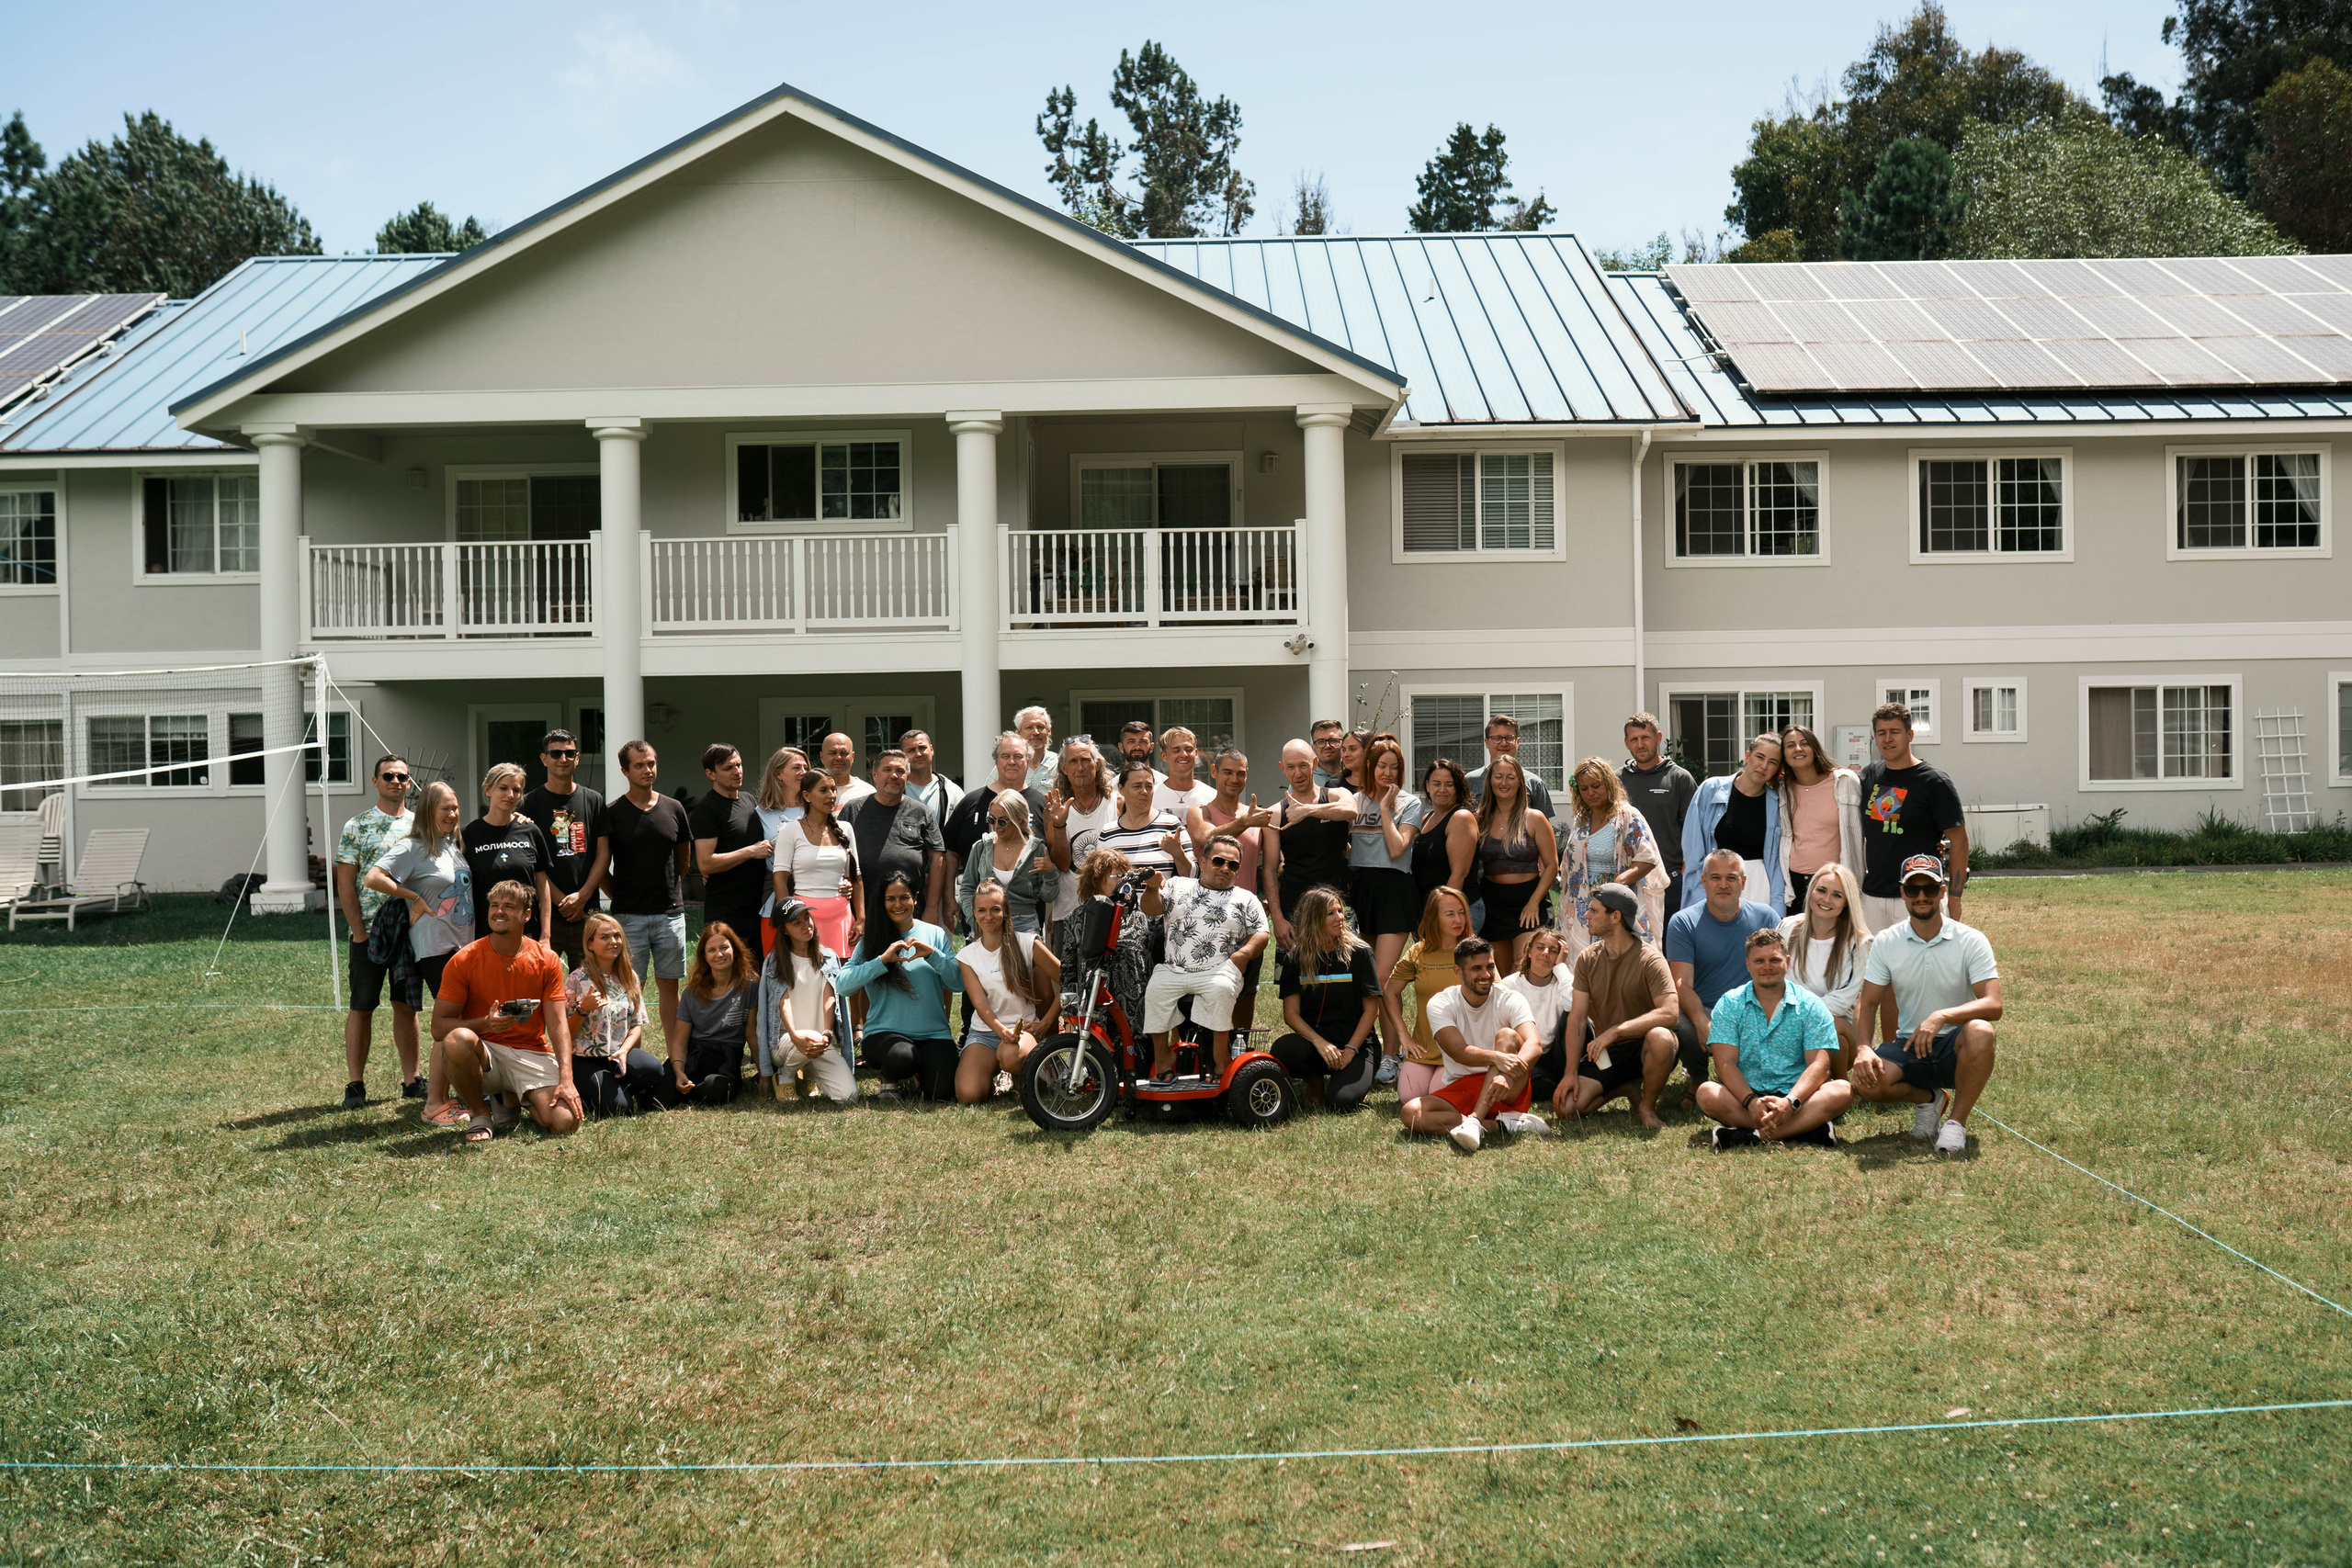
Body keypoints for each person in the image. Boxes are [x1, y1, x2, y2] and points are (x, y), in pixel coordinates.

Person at [1849, 853, 2001, 1154]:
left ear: (1942, 892)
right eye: (1913, 889)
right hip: (1908, 1044)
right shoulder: (1887, 941)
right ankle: (1929, 1100)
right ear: (1902, 893)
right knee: (1867, 1082)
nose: (1922, 896)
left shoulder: (1971, 940)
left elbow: (1993, 1004)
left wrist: (1942, 1016)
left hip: (1956, 1047)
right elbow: (1867, 1004)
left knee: (1981, 1031)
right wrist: (1864, 1047)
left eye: (1930, 889)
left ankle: (1956, 1124)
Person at [432, 879, 579, 1143]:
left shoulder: (547, 960)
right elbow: (438, 1027)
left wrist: (566, 1079)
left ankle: (510, 1098)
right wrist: (484, 1024)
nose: (499, 911)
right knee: (456, 1039)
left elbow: (557, 1024)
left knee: (565, 1123)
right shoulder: (464, 959)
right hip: (485, 1054)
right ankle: (481, 1114)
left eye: (509, 906)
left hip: (531, 1051)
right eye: (495, 905)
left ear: (527, 915)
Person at [366, 779, 474, 1126]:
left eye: (455, 808)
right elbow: (374, 877)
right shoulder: (413, 847)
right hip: (435, 949)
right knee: (448, 1025)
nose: (453, 814)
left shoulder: (451, 844)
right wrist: (413, 898)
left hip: (462, 946)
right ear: (428, 810)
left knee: (463, 1022)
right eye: (445, 808)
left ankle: (461, 1094)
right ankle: (434, 1105)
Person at [1696, 928, 1853, 1149]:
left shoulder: (1810, 1005)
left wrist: (1791, 1102)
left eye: (1774, 960)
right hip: (1745, 1096)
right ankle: (1807, 1130)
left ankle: (1751, 1135)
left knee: (1843, 1090)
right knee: (1707, 1093)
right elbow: (1724, 1063)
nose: (1767, 967)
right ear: (1748, 964)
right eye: (1759, 961)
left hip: (1799, 1096)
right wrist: (1751, 1102)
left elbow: (1820, 1065)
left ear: (1787, 961)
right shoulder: (1729, 1004)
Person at [1548, 885, 1682, 1129]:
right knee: (1566, 1108)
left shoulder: (1650, 959)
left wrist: (1616, 1031)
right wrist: (1570, 1073)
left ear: (1616, 917)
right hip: (1608, 1054)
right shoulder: (1588, 958)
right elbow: (1577, 1019)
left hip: (1646, 1047)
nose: (1586, 915)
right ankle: (1624, 1088)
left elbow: (1671, 1013)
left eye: (1593, 911)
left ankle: (1647, 1105)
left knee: (1662, 1037)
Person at [1400, 936, 1547, 1153]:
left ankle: (1475, 1120)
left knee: (1507, 1036)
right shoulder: (1441, 1003)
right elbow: (1458, 1051)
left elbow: (1534, 1044)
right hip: (1462, 1085)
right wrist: (1496, 1057)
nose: (1486, 975)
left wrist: (1506, 1074)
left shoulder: (1510, 998)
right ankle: (1503, 1125)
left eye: (1489, 967)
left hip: (1506, 1086)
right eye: (1476, 968)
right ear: (1458, 972)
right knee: (1411, 1113)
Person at [1138, 839, 1269, 1080]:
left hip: (1218, 970)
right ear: (1203, 862)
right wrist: (1153, 888)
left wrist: (1244, 954)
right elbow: (1151, 909)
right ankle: (1163, 1058)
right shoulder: (1178, 885)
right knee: (1155, 990)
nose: (1225, 868)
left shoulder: (1246, 898)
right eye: (1219, 861)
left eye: (1233, 865)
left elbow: (1261, 932)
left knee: (1220, 989)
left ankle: (1221, 1060)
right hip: (1174, 969)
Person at [334, 754, 420, 1109]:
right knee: (362, 1006)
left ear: (409, 783)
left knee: (406, 1007)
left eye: (402, 777)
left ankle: (412, 1080)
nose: (395, 782)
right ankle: (355, 1084)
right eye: (388, 776)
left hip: (408, 934)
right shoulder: (356, 826)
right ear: (375, 781)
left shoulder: (420, 825)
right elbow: (345, 883)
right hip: (368, 934)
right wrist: (358, 931)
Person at [1663, 848, 1784, 1099]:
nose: (1723, 884)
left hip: (1754, 1009)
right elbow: (1681, 982)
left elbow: (1780, 973)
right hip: (1706, 1008)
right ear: (1703, 881)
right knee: (1680, 1022)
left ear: (1743, 882)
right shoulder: (1683, 922)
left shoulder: (1766, 916)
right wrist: (1701, 1021)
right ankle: (1698, 1079)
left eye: (1731, 877)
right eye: (1715, 878)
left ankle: (1755, 1077)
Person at [835, 872, 964, 1102]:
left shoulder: (934, 934)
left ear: (915, 898)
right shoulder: (871, 939)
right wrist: (881, 961)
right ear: (882, 902)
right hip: (885, 1035)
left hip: (933, 1034)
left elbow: (957, 983)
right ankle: (889, 1077)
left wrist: (933, 955)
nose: (898, 905)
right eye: (890, 899)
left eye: (904, 897)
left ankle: (920, 1072)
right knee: (903, 1057)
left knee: (942, 1094)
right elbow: (843, 986)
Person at [603, 740, 694, 1041]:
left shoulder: (674, 809)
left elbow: (683, 859)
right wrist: (620, 896)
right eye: (639, 765)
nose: (647, 770)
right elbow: (601, 867)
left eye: (651, 763)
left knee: (670, 987)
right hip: (629, 918)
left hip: (669, 915)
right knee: (630, 988)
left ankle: (675, 1059)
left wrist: (668, 888)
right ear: (625, 770)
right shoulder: (612, 814)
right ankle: (633, 1059)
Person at [1857, 702, 1969, 935]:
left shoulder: (1934, 783)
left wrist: (1955, 898)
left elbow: (1959, 842)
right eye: (1881, 733)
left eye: (1894, 732)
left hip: (1918, 895)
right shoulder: (1868, 776)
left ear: (1910, 735)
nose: (1887, 739)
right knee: (1875, 968)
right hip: (1872, 897)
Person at [1266, 885, 1381, 1111]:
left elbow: (1372, 1010)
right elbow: (1291, 1014)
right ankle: (1314, 1080)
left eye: (1340, 911)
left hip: (1357, 1044)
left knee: (1342, 1103)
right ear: (1313, 918)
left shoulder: (1360, 952)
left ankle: (1349, 1076)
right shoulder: (1295, 958)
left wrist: (1350, 1049)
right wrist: (1319, 1042)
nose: (1340, 917)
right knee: (1283, 1049)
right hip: (1317, 1045)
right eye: (1331, 913)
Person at [1187, 749, 1278, 1036]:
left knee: (1246, 991)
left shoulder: (1259, 819)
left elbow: (1272, 867)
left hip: (1246, 920)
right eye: (1227, 772)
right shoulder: (1199, 812)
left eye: (1241, 773)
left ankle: (1240, 1052)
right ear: (1214, 772)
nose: (1234, 779)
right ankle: (1206, 1056)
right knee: (1206, 992)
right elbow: (1206, 837)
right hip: (1205, 919)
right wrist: (1245, 823)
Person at [1555, 756, 1666, 961]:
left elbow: (1648, 857)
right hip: (1584, 903)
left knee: (1621, 961)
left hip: (1616, 901)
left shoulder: (1627, 815)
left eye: (1596, 786)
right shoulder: (1581, 819)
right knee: (1587, 963)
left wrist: (1619, 883)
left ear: (1609, 783)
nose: (1590, 793)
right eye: (1584, 788)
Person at [958, 880, 1062, 1094]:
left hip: (1022, 1031)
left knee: (1010, 1056)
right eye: (982, 910)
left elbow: (1068, 980)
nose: (989, 916)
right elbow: (979, 1004)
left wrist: (1046, 1022)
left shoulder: (1027, 943)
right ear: (974, 913)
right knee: (968, 1094)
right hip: (985, 1033)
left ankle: (1022, 1077)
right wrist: (1001, 1032)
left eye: (995, 909)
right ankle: (999, 1076)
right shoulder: (967, 955)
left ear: (1005, 911)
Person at [519, 729, 611, 968]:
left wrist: (582, 897)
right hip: (546, 914)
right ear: (544, 758)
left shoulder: (593, 800)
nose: (563, 759)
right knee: (541, 982)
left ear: (577, 758)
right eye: (556, 753)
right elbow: (531, 861)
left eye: (569, 753)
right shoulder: (529, 803)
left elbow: (603, 854)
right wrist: (562, 902)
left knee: (588, 986)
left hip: (586, 912)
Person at [564, 910, 667, 1116]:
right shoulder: (577, 979)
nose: (614, 942)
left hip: (617, 1057)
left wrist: (624, 1052)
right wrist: (582, 1010)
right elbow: (564, 1034)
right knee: (622, 1109)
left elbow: (637, 1024)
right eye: (605, 937)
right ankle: (591, 1090)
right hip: (584, 1059)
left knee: (655, 1069)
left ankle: (612, 1087)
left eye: (617, 936)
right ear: (590, 943)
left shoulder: (630, 977)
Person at [943, 733, 1048, 932]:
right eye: (1005, 756)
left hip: (1028, 918)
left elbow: (1051, 863)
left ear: (1028, 760)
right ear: (996, 761)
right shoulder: (971, 802)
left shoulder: (1041, 804)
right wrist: (949, 899)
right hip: (981, 917)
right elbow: (950, 851)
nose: (1012, 762)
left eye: (1018, 756)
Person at [1778, 861, 1872, 1075]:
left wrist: (1796, 1021)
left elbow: (1841, 1001)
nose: (1826, 900)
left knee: (1832, 1027)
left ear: (1847, 902)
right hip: (1787, 1023)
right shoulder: (1787, 928)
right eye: (1821, 890)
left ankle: (1839, 1084)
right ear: (1811, 892)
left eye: (1837, 895)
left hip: (1838, 1027)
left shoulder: (1860, 943)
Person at [845, 750, 947, 947]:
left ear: (907, 777)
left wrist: (932, 908)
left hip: (909, 914)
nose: (894, 775)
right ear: (874, 775)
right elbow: (838, 854)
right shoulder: (853, 809)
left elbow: (938, 857)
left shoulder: (921, 812)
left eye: (900, 771)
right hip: (863, 915)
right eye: (887, 769)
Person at [759, 897, 855, 1106]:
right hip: (785, 1043)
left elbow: (830, 998)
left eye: (807, 917)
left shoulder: (828, 957)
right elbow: (783, 1003)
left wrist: (827, 1034)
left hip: (821, 1042)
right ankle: (786, 1074)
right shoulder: (775, 961)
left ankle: (808, 1073)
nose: (806, 925)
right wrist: (794, 1035)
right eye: (797, 923)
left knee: (849, 1096)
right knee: (807, 1037)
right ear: (784, 931)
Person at [1263, 738, 1356, 953]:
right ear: (1282, 769)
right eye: (1291, 767)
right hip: (1295, 907)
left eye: (1303, 765)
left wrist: (1308, 811)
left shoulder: (1335, 795)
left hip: (1337, 906)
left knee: (1342, 976)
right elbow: (1269, 870)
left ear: (1314, 764)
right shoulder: (1275, 813)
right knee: (1296, 981)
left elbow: (1351, 810)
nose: (1298, 773)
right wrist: (1277, 919)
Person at [1349, 735, 1424, 998]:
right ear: (1370, 766)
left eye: (1394, 767)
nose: (1388, 773)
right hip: (1362, 889)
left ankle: (1392, 1042)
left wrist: (1383, 808)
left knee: (1381, 977)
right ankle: (1370, 1039)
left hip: (1394, 890)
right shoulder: (1354, 801)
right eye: (1382, 766)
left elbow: (1396, 849)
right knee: (1364, 976)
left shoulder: (1410, 803)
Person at [1383, 886, 1472, 1105]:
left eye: (1461, 913)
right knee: (1408, 1097)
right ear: (1433, 918)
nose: (1458, 919)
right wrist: (1403, 1037)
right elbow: (1389, 992)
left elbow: (1496, 994)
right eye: (1450, 914)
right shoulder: (1418, 952)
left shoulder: (1474, 950)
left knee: (1435, 1096)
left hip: (1460, 1049)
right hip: (1423, 1048)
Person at [1472, 753, 1557, 976]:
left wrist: (1533, 903)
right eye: (1498, 776)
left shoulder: (1535, 818)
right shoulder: (1479, 819)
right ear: (1490, 781)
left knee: (1523, 967)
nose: (1504, 782)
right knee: (1498, 974)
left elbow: (1551, 866)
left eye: (1511, 777)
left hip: (1529, 901)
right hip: (1493, 903)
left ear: (1520, 781)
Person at [1680, 732, 1784, 909]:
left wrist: (1777, 908)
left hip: (1759, 890)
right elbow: (1693, 854)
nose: (1764, 766)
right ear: (1747, 756)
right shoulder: (1710, 790)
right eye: (1760, 757)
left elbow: (1777, 864)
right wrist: (1701, 898)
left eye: (1773, 762)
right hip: (1715, 887)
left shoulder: (1778, 803)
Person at [1053, 846, 1148, 1038]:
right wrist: (1069, 1014)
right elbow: (1068, 972)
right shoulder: (1078, 918)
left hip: (1135, 1014)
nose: (1122, 882)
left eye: (1125, 876)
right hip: (1092, 1013)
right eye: (1116, 877)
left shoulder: (1142, 917)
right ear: (1096, 881)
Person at [692, 743, 774, 964]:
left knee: (757, 973)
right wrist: (750, 851)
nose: (737, 771)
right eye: (728, 768)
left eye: (738, 765)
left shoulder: (749, 800)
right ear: (711, 774)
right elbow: (706, 864)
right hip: (727, 911)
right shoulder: (707, 809)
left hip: (756, 905)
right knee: (729, 974)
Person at [664, 920, 759, 1107]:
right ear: (704, 957)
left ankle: (694, 1092)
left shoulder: (750, 984)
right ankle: (684, 1085)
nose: (719, 954)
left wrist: (764, 1075)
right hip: (695, 1053)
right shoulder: (692, 992)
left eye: (724, 947)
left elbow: (752, 1033)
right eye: (712, 950)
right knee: (658, 1097)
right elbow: (680, 1041)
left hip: (726, 1056)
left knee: (715, 1090)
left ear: (735, 950)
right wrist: (679, 1071)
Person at [461, 763, 556, 945]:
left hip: (527, 934)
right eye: (503, 788)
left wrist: (546, 935)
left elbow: (543, 886)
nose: (510, 795)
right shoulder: (468, 834)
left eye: (516, 790)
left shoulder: (530, 831)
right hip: (483, 936)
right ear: (488, 790)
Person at [1776, 725, 1864, 917]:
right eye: (1790, 745)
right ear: (1784, 754)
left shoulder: (1844, 781)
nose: (1798, 749)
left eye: (1804, 743)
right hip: (1795, 881)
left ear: (1815, 748)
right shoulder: (1782, 789)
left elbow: (1861, 831)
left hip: (1834, 880)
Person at [771, 773, 862, 957]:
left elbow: (856, 878)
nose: (831, 795)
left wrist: (861, 919)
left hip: (842, 919)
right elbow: (779, 879)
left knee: (844, 982)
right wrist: (790, 920)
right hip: (804, 920)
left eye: (833, 789)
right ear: (806, 796)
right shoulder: (791, 830)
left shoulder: (846, 829)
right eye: (823, 790)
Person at [1618, 713, 1695, 919]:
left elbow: (1693, 831)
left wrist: (1685, 874)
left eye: (1646, 738)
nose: (1640, 744)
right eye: (1634, 739)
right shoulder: (1617, 780)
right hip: (1627, 879)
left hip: (1669, 880)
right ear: (1627, 743)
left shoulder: (1679, 778)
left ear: (1659, 737)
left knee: (1669, 945)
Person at [1043, 735, 1118, 935]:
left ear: (1097, 763)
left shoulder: (1117, 803)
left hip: (1111, 909)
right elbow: (1063, 864)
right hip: (1068, 912)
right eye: (1073, 762)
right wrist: (1059, 825)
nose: (1080, 767)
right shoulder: (1053, 809)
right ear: (1064, 769)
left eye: (1086, 760)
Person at [956, 787, 1057, 936]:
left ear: (1019, 819)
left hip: (1025, 925)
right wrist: (974, 919)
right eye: (991, 820)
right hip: (987, 924)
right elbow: (967, 889)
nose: (996, 826)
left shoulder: (1036, 849)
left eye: (1002, 821)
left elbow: (1049, 896)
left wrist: (1050, 873)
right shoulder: (982, 847)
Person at [1503, 925, 1575, 1106]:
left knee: (1577, 1018)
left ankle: (1568, 1077)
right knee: (1540, 1085)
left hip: (1557, 1054)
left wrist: (1560, 967)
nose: (1545, 953)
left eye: (1553, 951)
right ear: (1528, 951)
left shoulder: (1564, 981)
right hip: (1526, 1056)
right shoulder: (1510, 985)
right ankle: (1547, 1084)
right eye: (1540, 947)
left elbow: (1574, 1004)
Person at [1094, 760, 1191, 879]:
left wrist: (1179, 854)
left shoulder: (1171, 825)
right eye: (1137, 786)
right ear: (1121, 789)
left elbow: (1194, 877)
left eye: (1149, 786)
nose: (1144, 792)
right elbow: (1098, 880)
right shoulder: (1108, 832)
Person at [752, 745, 810, 939]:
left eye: (805, 767)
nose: (803, 772)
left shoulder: (816, 809)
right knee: (777, 962)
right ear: (778, 774)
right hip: (774, 894)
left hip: (813, 891)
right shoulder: (761, 813)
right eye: (796, 768)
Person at [1410, 757, 1478, 911]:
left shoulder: (1461, 818)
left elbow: (1459, 875)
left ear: (1458, 788)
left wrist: (1443, 913)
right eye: (1436, 784)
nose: (1442, 789)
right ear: (1427, 786)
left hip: (1456, 910)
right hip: (1429, 909)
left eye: (1449, 785)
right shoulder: (1425, 820)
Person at [1464, 714, 1556, 818]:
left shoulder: (1534, 783)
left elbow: (1543, 829)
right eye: (1496, 738)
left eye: (1509, 738)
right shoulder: (1470, 781)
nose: (1503, 743)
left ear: (1517, 742)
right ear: (1486, 742)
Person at [900, 729, 963, 827]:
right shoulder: (896, 790)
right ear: (903, 756)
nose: (918, 754)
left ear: (931, 750)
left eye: (922, 748)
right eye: (911, 750)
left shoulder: (952, 792)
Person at [1152, 727, 1216, 816]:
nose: (1184, 754)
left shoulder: (1213, 797)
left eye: (1189, 749)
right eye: (1176, 750)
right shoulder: (1151, 796)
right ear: (1163, 756)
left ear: (1196, 753)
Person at [818, 731, 876, 810]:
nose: (838, 757)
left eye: (844, 753)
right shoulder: (812, 792)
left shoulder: (867, 792)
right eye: (833, 753)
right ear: (822, 757)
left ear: (853, 757)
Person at [1014, 705, 1058, 792]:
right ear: (1019, 733)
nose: (1035, 732)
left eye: (1040, 727)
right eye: (1029, 727)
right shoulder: (1008, 764)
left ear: (1049, 731)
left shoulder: (1059, 764)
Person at [1115, 719, 1164, 784]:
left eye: (1143, 742)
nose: (1137, 747)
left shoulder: (1163, 783)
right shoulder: (1111, 788)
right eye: (1131, 742)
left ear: (1151, 747)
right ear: (1121, 747)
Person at [1308, 717, 1348, 790]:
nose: (1327, 746)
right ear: (1313, 748)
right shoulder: (1305, 780)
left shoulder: (1355, 775)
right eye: (1321, 742)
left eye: (1333, 740)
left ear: (1343, 743)